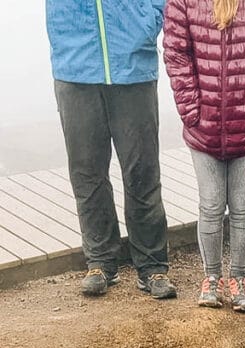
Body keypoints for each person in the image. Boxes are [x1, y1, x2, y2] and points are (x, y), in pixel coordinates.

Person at [163, 0, 245, 313]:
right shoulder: (182, 2)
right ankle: (211, 279)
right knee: (210, 203)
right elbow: (176, 56)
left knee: (244, 206)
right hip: (202, 128)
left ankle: (240, 279)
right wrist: (191, 110)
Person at [46, 0, 177, 300]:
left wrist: (147, 24)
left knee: (142, 170)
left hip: (133, 67)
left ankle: (152, 265)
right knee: (87, 172)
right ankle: (101, 261)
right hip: (75, 66)